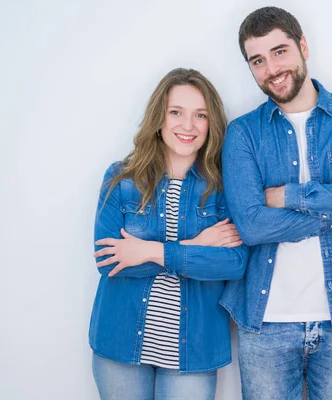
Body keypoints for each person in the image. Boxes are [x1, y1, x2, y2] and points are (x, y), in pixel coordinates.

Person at [219, 7, 332, 400]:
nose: (272, 68)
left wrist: (287, 196)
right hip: (265, 326)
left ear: (303, 46)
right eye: (258, 60)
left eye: (279, 51)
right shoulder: (243, 134)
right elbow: (252, 226)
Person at [89, 68, 248, 400]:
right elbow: (109, 260)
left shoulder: (223, 188)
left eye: (200, 115)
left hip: (193, 354)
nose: (187, 125)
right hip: (120, 347)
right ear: (159, 118)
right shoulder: (122, 179)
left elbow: (233, 263)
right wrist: (195, 246)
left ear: (211, 124)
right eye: (176, 112)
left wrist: (147, 251)